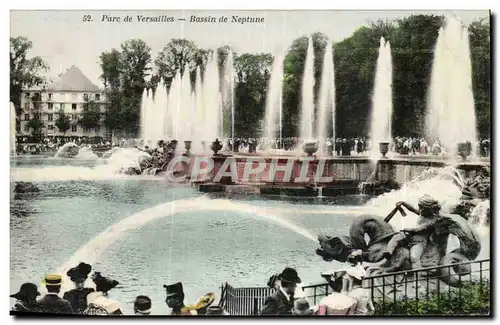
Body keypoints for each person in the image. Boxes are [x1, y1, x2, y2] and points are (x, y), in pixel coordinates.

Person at [396, 194, 441, 267]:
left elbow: (419, 229)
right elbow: (412, 208)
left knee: (414, 257)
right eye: (419, 207)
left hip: (420, 242)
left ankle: (418, 273)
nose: (420, 210)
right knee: (396, 238)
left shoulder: (432, 220)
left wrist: (407, 229)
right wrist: (403, 203)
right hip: (411, 237)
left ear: (429, 209)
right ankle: (388, 253)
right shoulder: (423, 214)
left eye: (422, 208)